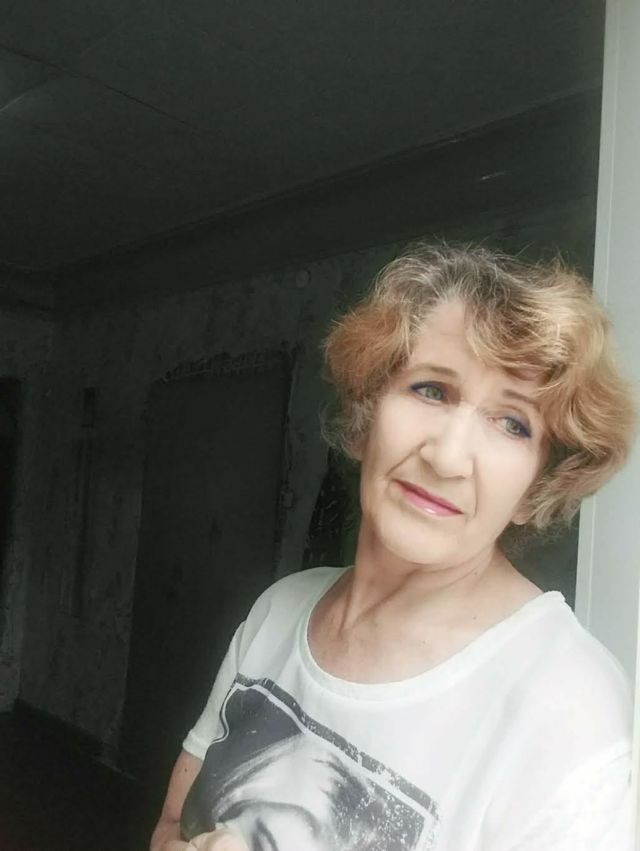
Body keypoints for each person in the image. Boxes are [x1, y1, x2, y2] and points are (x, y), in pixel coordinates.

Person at [150, 244, 637, 851]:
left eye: (513, 423)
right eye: (431, 390)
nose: (448, 457)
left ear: (538, 483)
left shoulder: (565, 706)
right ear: (366, 416)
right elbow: (170, 825)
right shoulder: (280, 609)